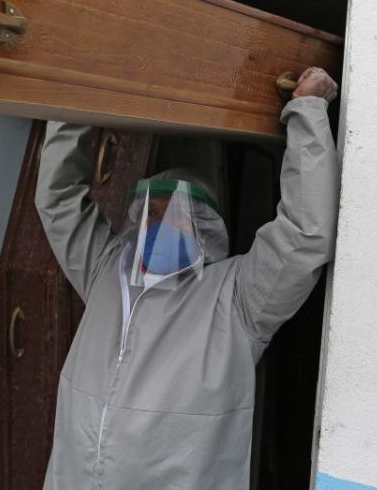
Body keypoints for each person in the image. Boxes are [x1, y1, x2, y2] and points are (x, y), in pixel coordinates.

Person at [35, 67, 341, 489]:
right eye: (148, 213)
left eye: (173, 214)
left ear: (206, 226)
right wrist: (75, 93)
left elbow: (304, 234)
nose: (155, 223)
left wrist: (307, 111)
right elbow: (57, 201)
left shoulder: (237, 301)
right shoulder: (107, 272)